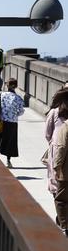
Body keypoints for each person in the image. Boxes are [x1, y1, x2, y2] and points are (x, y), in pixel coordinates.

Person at [0, 78, 24, 167]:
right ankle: (8, 161)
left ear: (7, 85)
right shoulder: (18, 98)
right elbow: (21, 111)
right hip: (12, 122)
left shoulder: (1, 95)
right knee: (10, 142)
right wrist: (14, 114)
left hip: (2, 121)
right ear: (16, 86)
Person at [50, 98, 68, 237]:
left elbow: (61, 148)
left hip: (66, 172)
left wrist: (56, 166)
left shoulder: (65, 127)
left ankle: (64, 227)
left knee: (61, 199)